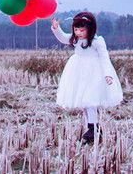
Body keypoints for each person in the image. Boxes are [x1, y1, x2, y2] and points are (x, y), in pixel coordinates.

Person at [51, 11, 123, 145]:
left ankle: (93, 128)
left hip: (94, 73)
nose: (78, 32)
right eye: (76, 29)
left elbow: (104, 58)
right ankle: (92, 127)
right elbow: (63, 38)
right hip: (78, 73)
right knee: (84, 102)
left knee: (90, 101)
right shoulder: (76, 39)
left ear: (90, 29)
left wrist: (107, 74)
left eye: (82, 30)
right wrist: (56, 29)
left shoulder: (97, 42)